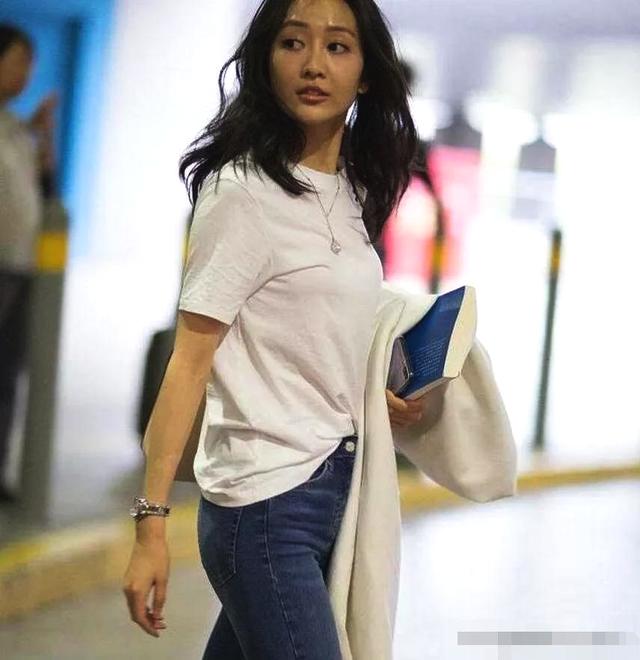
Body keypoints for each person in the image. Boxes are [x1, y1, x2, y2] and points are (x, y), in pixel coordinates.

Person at [122, 1, 429, 657]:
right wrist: (150, 526)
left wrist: (369, 397)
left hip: (332, 487)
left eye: (337, 47)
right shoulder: (242, 193)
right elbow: (189, 362)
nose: (314, 64)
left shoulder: (352, 191)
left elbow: (310, 338)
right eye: (293, 43)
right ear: (266, 60)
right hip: (263, 506)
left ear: (366, 73)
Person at [0, 24, 56, 503]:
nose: (26, 73)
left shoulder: (16, 129)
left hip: (18, 268)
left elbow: (43, 187)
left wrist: (44, 134)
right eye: (18, 61)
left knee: (7, 374)